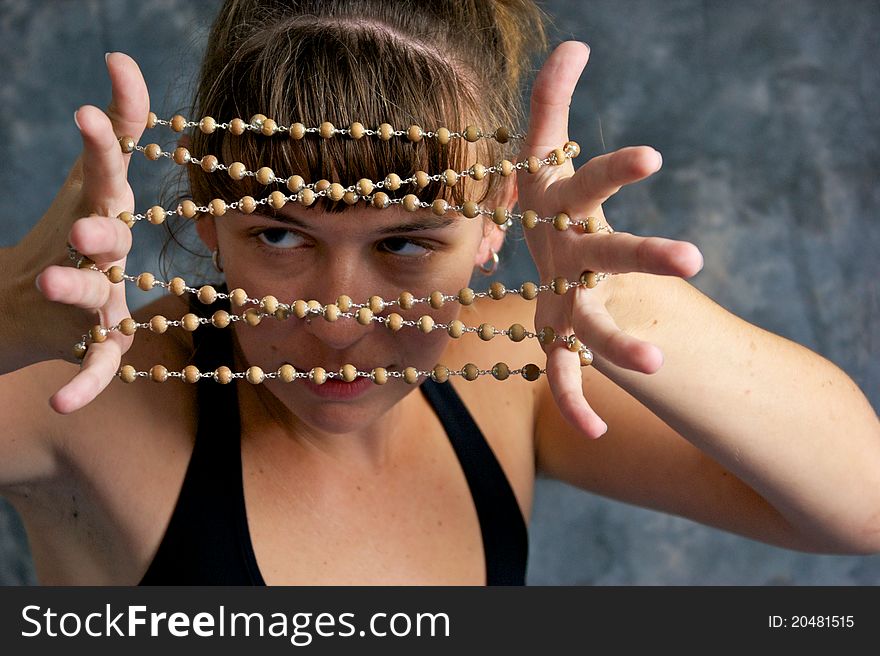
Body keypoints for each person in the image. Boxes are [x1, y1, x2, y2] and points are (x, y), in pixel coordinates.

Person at [0, 0, 878, 585]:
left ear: (497, 217)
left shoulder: (518, 379)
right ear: (206, 209)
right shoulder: (89, 393)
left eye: (408, 243)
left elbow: (861, 508)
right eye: (279, 235)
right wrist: (8, 319)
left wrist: (631, 306)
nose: (339, 324)